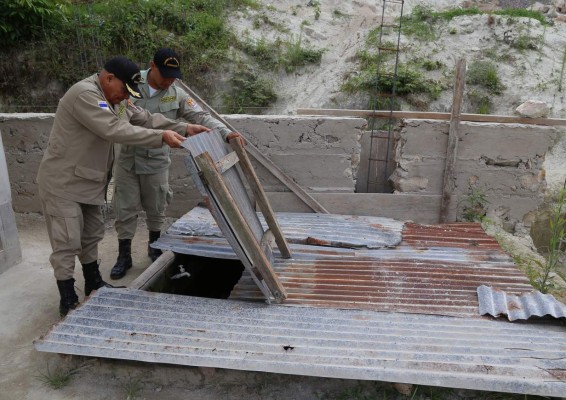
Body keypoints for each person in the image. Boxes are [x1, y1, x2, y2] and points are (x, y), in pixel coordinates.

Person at [37, 56, 210, 316]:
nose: (124, 98)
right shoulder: (85, 95)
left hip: (90, 180)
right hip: (63, 183)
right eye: (123, 91)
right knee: (67, 242)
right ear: (109, 79)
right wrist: (161, 138)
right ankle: (67, 298)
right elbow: (114, 130)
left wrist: (184, 128)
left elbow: (144, 118)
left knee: (91, 235)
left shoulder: (115, 98)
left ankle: (93, 283)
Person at [110, 48, 242, 279]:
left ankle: (154, 245)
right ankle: (124, 255)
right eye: (165, 75)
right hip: (127, 159)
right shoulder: (128, 85)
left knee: (157, 204)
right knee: (125, 207)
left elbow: (201, 117)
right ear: (152, 66)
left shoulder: (176, 93)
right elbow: (117, 117)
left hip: (157, 159)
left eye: (174, 76)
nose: (169, 80)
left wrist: (226, 133)